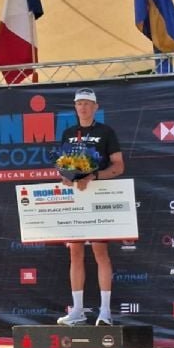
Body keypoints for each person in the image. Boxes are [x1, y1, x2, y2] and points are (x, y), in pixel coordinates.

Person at [55, 88, 125, 326]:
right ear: (75, 107)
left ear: (96, 107)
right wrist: (66, 177)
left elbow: (118, 166)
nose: (83, 107)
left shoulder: (106, 132)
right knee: (74, 252)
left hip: (98, 195)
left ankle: (105, 312)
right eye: (79, 104)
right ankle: (77, 310)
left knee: (100, 252)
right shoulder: (68, 133)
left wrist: (93, 176)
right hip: (76, 198)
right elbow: (63, 165)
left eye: (87, 103)